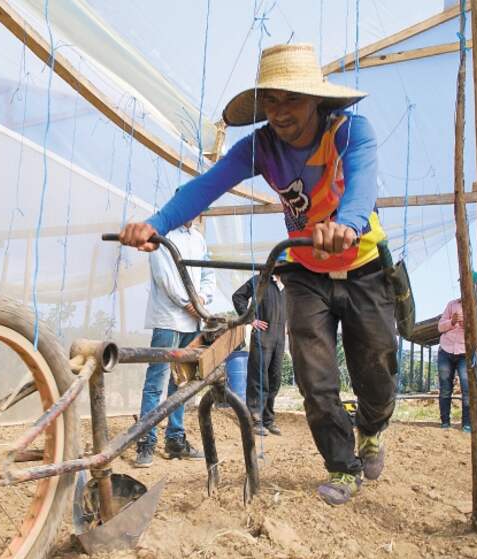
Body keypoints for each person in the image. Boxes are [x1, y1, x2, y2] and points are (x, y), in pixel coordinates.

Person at [118, 44, 396, 505]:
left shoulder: (348, 131)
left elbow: (362, 181)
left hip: (362, 263)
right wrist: (157, 225)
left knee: (377, 367)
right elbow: (207, 185)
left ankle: (372, 428)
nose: (281, 112)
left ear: (316, 100)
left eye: (292, 99)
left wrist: (347, 224)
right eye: (271, 100)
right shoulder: (259, 147)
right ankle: (342, 466)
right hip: (305, 268)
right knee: (314, 373)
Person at [135, 220, 214, 467]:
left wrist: (201, 298)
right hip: (168, 318)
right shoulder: (162, 234)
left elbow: (208, 273)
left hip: (192, 322)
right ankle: (146, 442)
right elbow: (163, 276)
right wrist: (188, 302)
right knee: (156, 382)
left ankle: (175, 440)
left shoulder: (198, 238)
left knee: (180, 382)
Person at [232, 274, 286, 436]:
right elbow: (238, 296)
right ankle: (255, 419)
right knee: (258, 377)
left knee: (274, 378)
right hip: (263, 333)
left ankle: (268, 419)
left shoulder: (289, 282)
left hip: (280, 336)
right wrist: (251, 319)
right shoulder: (259, 280)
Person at [436, 272, 477, 433]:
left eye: (467, 283)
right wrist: (452, 322)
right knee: (445, 387)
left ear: (475, 286)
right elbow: (440, 327)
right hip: (446, 350)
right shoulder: (452, 304)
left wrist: (470, 324)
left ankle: (467, 423)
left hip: (465, 352)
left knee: (467, 387)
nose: (463, 286)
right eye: (462, 283)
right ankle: (445, 422)